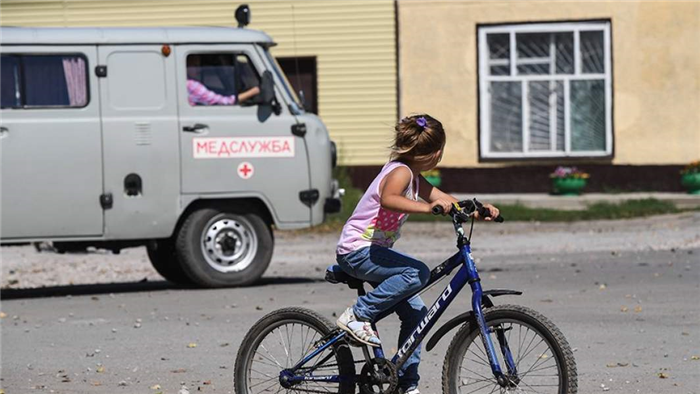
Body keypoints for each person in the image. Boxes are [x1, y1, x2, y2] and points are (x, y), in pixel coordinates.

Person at [334, 114, 500, 394]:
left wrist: (477, 208)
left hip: (374, 252)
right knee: (417, 273)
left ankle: (406, 385)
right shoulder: (400, 172)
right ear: (435, 153)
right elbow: (389, 198)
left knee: (416, 314)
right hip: (357, 251)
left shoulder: (414, 176)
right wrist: (427, 209)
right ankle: (357, 315)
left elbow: (440, 197)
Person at [186, 56, 260, 106]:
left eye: (199, 65)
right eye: (195, 65)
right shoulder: (191, 85)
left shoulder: (185, 83)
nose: (199, 70)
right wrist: (254, 91)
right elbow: (224, 102)